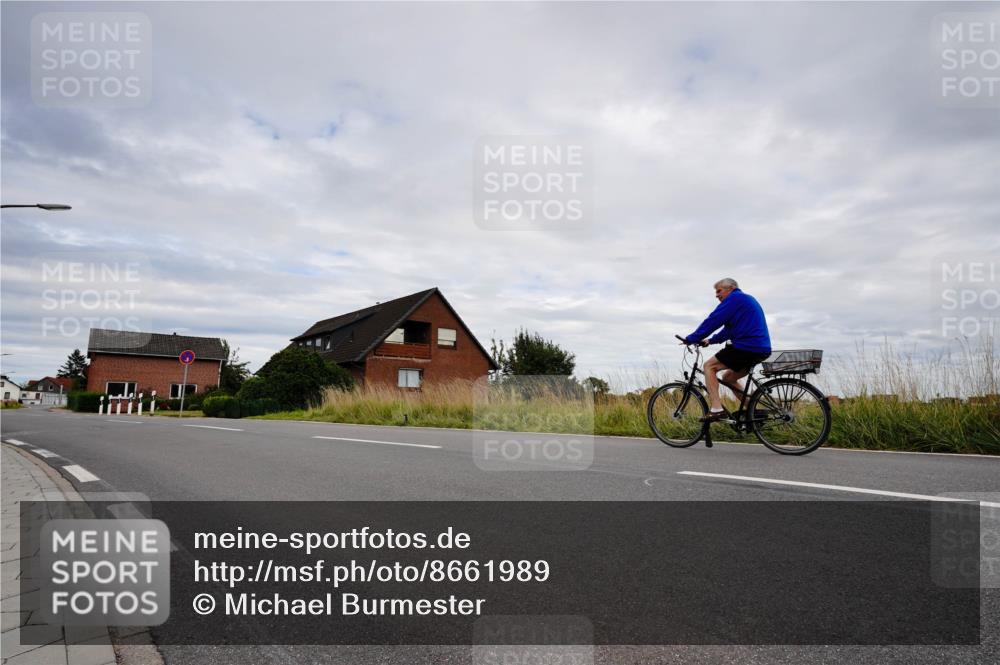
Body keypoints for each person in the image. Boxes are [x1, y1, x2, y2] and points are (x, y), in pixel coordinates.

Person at [684, 278, 771, 422]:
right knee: (728, 378)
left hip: (746, 347)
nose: (716, 295)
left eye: (719, 291)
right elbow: (729, 329)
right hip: (760, 348)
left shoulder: (734, 298)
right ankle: (751, 410)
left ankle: (716, 409)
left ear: (730, 288)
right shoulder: (744, 300)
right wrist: (711, 340)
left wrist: (692, 338)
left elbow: (714, 320)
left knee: (709, 366)